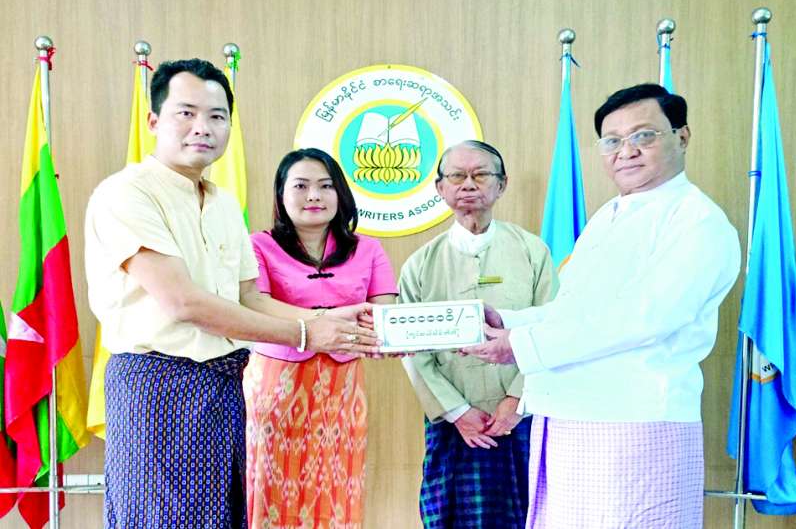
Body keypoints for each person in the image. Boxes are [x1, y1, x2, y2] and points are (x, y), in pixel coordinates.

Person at [84, 60, 378, 529]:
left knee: (225, 516)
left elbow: (249, 297)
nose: (203, 127)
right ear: (154, 120)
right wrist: (306, 334)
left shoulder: (222, 203)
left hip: (224, 384)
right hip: (157, 386)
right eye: (186, 113)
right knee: (160, 517)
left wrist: (328, 321)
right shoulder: (126, 194)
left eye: (217, 116)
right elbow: (182, 303)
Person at [467, 84, 741, 528]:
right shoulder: (608, 215)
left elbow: (645, 318)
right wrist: (507, 321)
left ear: (682, 136)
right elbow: (574, 308)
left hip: (633, 422)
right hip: (568, 415)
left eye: (643, 136)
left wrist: (521, 344)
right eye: (612, 141)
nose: (626, 151)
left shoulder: (699, 221)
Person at [399, 140, 558, 528]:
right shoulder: (420, 264)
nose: (468, 184)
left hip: (523, 415)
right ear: (440, 188)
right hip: (454, 421)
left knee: (529, 514)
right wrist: (458, 412)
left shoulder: (532, 251)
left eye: (481, 174)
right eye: (457, 176)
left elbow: (552, 327)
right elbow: (411, 350)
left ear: (501, 185)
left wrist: (516, 400)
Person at [243, 147, 398, 528]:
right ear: (281, 195)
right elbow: (255, 303)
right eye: (301, 186)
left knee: (336, 484)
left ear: (340, 194)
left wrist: (390, 337)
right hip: (277, 383)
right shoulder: (258, 244)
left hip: (343, 386)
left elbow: (383, 314)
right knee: (272, 482)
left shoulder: (368, 248)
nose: (314, 195)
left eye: (325, 186)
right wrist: (321, 322)